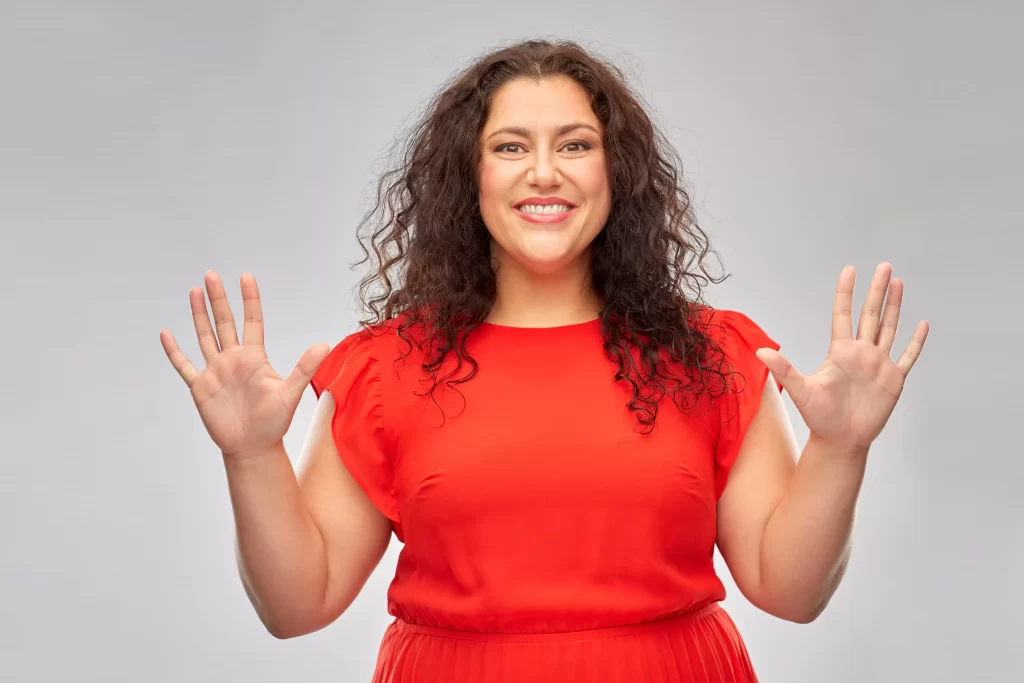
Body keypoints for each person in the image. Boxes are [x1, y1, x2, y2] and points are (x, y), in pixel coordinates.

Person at [160, 39, 929, 682]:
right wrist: (252, 455)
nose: (544, 172)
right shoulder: (387, 370)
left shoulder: (708, 356)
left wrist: (840, 447)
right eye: (510, 147)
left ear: (614, 171)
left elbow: (791, 590)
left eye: (575, 145)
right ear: (470, 176)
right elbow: (297, 605)